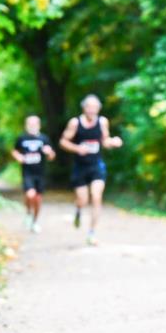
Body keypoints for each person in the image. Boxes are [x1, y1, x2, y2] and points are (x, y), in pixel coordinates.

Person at [59, 94, 122, 246]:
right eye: (89, 107)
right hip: (80, 167)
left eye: (95, 107)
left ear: (98, 108)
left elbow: (104, 141)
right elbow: (63, 141)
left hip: (96, 165)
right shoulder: (75, 123)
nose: (92, 110)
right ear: (84, 108)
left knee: (96, 195)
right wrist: (77, 148)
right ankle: (78, 210)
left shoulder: (102, 122)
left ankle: (92, 233)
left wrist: (113, 142)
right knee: (83, 200)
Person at [11, 115, 56, 232]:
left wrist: (49, 152)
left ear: (39, 125)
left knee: (38, 199)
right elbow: (14, 151)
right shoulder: (22, 138)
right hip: (27, 172)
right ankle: (28, 212)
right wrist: (18, 157)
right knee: (30, 195)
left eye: (34, 124)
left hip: (40, 173)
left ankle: (35, 221)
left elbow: (52, 156)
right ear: (26, 125)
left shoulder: (44, 139)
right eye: (30, 124)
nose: (32, 126)